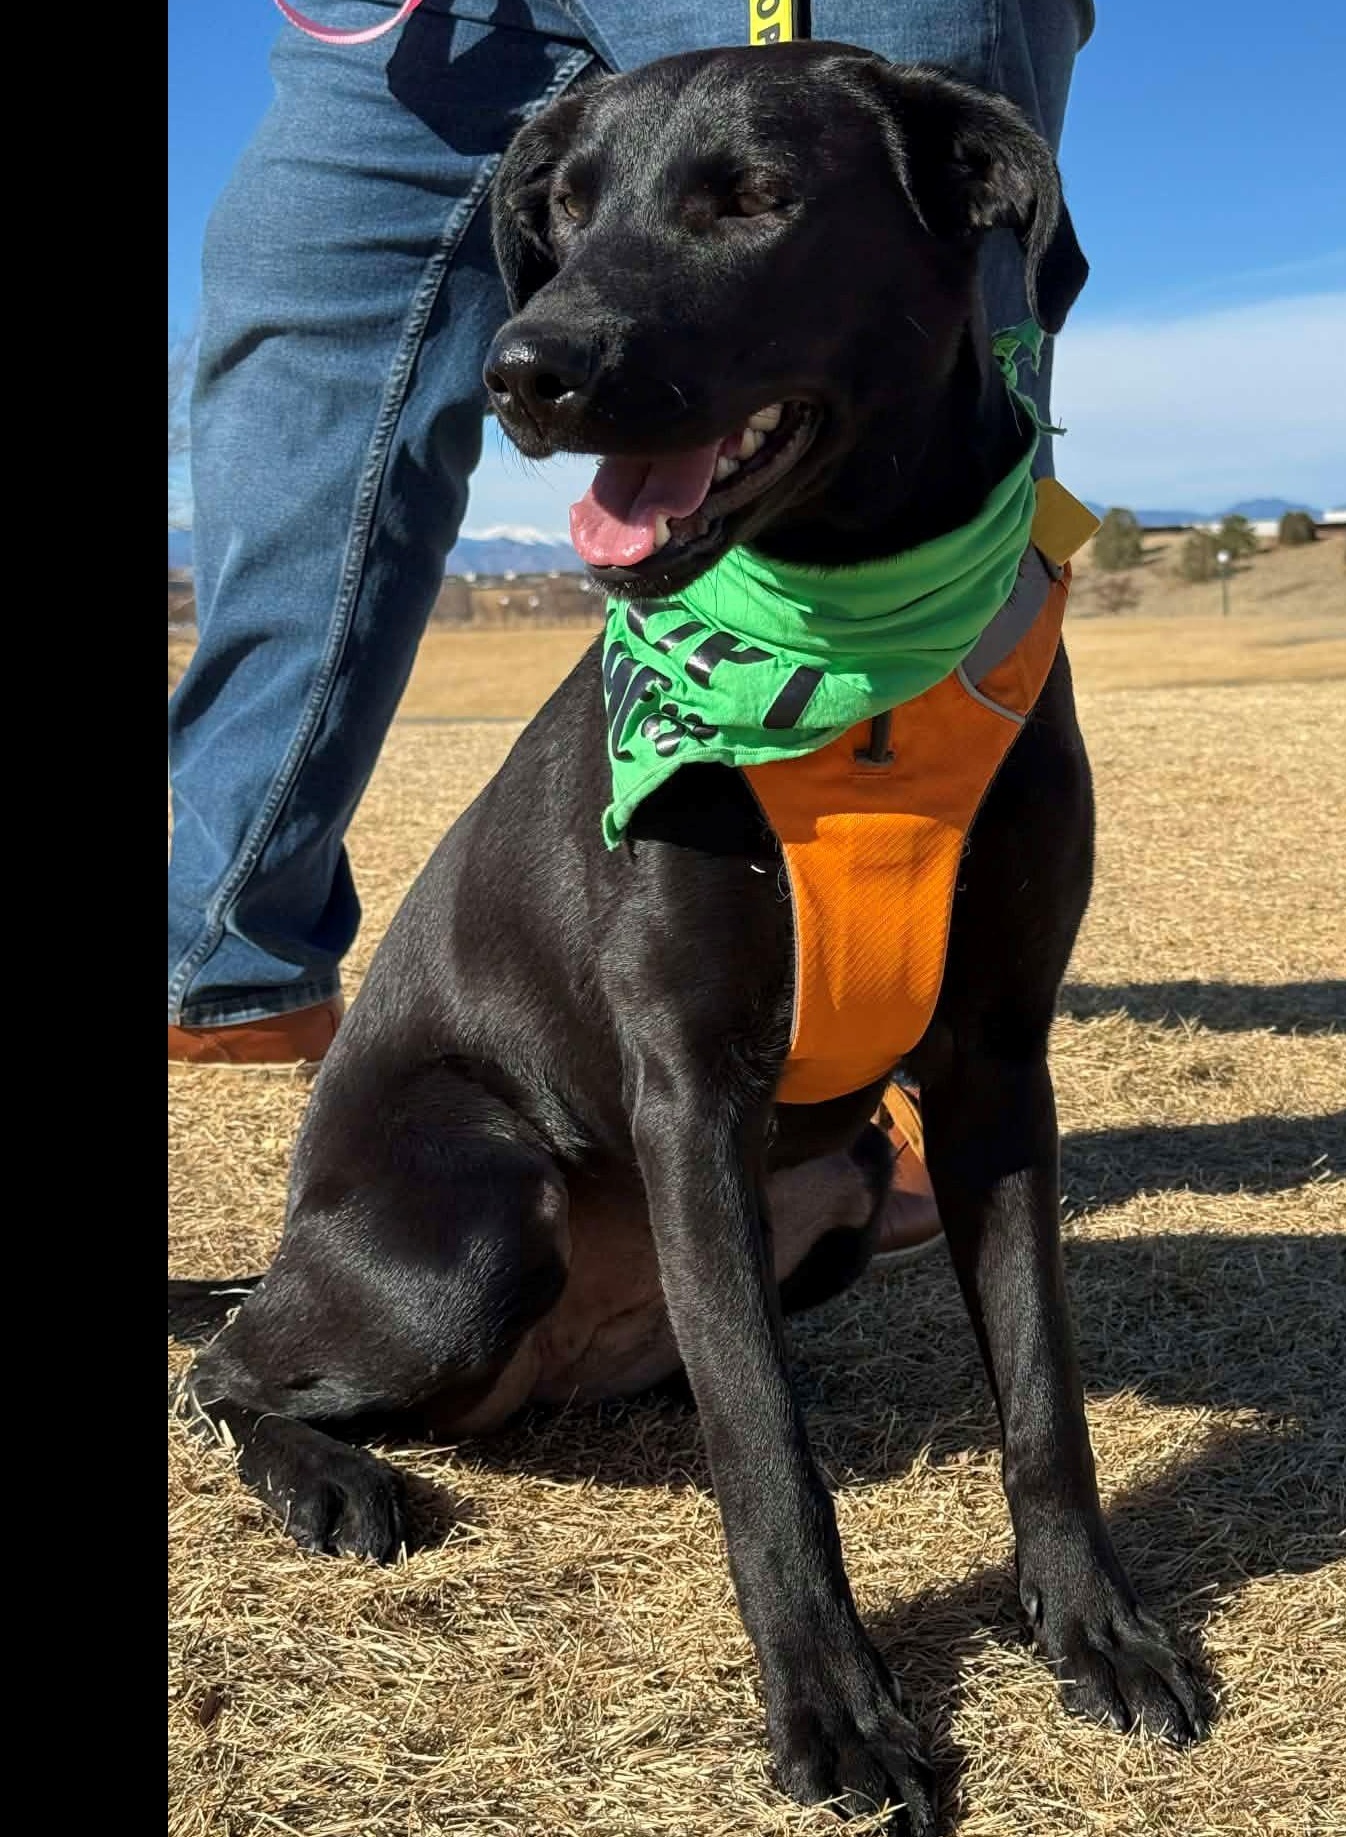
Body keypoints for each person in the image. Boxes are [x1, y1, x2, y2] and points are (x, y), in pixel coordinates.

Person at [167, 0, 1093, 1258]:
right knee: (305, 338)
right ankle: (234, 958)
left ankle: (909, 1022)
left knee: (933, 349)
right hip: (420, 24)